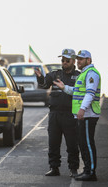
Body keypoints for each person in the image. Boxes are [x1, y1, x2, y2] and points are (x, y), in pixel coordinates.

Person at [53, 50, 101, 181]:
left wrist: (82, 109)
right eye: (78, 59)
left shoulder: (91, 74)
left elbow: (90, 93)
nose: (78, 61)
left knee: (87, 144)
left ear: (88, 60)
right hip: (83, 115)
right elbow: (77, 91)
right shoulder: (84, 74)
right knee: (83, 144)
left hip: (88, 114)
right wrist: (65, 88)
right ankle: (87, 170)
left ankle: (91, 172)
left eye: (81, 59)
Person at [34, 49, 80, 177]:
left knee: (72, 144)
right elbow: (44, 85)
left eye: (67, 60)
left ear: (73, 61)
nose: (64, 62)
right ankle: (54, 168)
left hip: (70, 115)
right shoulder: (54, 75)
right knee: (53, 143)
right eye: (62, 60)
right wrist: (39, 77)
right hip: (55, 114)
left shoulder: (79, 76)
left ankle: (74, 169)